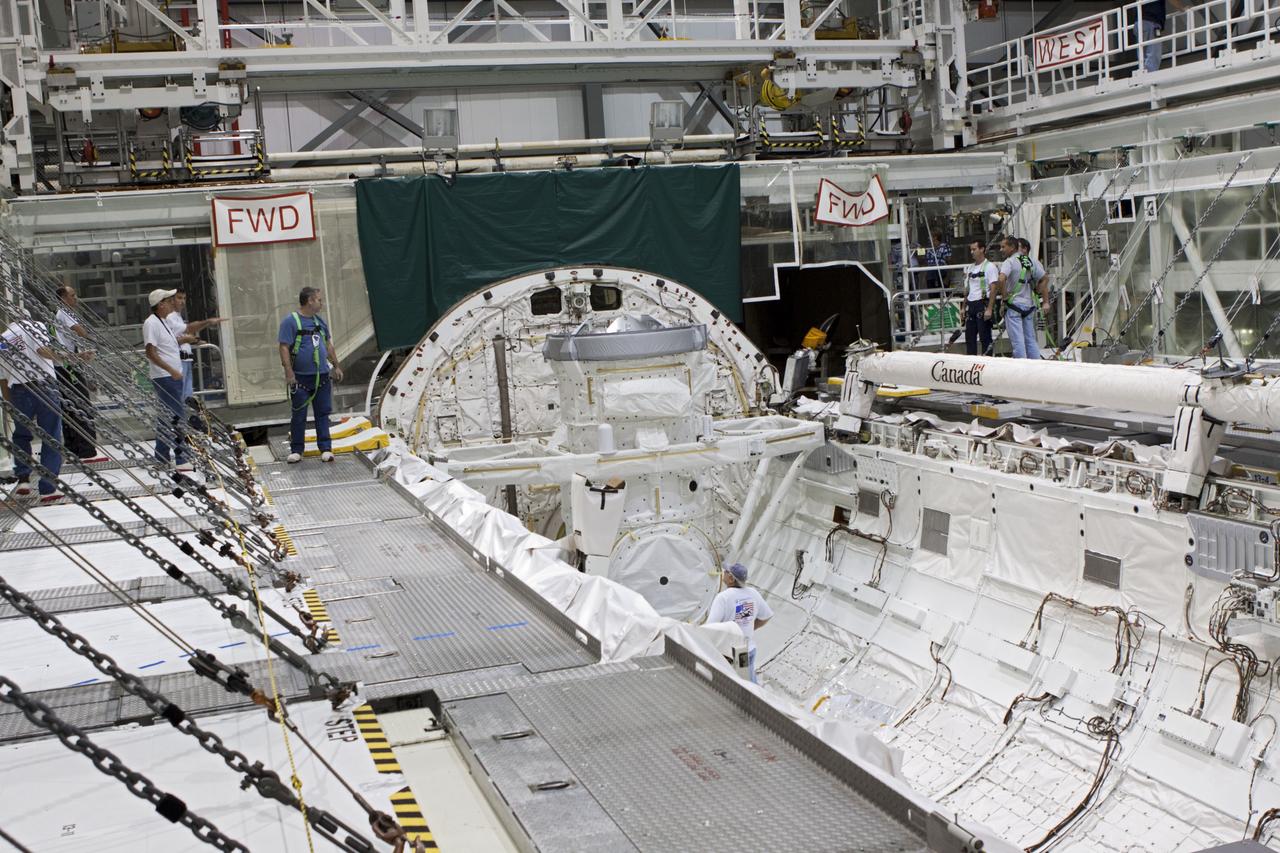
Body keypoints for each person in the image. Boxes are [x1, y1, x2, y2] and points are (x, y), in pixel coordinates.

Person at [1, 311, 64, 502]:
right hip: (44, 386)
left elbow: (2, 378)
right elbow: (42, 350)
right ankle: (48, 488)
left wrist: (10, 403)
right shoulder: (36, 326)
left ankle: (23, 479)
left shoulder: (3, 339)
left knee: (21, 435)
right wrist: (66, 357)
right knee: (51, 436)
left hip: (18, 391)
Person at [278, 287, 343, 464]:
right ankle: (297, 449)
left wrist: (336, 366)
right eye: (319, 300)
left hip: (322, 377)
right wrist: (289, 372)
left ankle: (326, 448)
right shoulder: (290, 322)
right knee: (298, 415)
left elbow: (328, 345)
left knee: (322, 414)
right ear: (309, 301)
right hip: (300, 379)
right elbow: (284, 347)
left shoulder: (319, 322)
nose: (321, 303)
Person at [52, 285, 106, 463]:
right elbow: (79, 331)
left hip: (67, 364)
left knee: (71, 407)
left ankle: (74, 449)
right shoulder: (64, 313)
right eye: (73, 295)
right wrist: (95, 342)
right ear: (63, 298)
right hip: (68, 367)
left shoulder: (62, 314)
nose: (76, 298)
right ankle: (85, 451)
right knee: (81, 406)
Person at [142, 288, 191, 472]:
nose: (173, 303)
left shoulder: (162, 322)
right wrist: (171, 369)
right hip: (166, 377)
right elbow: (150, 351)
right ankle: (181, 458)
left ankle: (161, 457)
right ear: (160, 304)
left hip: (171, 376)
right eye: (169, 300)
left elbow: (166, 346)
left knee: (166, 418)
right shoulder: (152, 324)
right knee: (177, 417)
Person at [705, 562, 774, 683]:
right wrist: (749, 629)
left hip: (732, 653)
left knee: (739, 689)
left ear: (731, 578)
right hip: (749, 648)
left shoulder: (723, 598)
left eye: (725, 572)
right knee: (749, 684)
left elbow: (711, 628)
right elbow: (766, 616)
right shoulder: (753, 593)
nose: (723, 573)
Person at [993, 236, 1050, 360]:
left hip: (1014, 306)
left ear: (1012, 247)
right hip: (1029, 305)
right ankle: (1036, 365)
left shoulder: (1009, 262)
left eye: (1003, 247)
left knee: (1017, 341)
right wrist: (1037, 290)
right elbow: (1045, 278)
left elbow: (1001, 279)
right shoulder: (1030, 261)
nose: (1001, 250)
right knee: (1030, 339)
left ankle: (1020, 369)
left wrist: (1004, 298)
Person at [164, 289, 224, 405]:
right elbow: (185, 332)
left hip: (186, 360)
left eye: (184, 298)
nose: (182, 301)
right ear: (171, 300)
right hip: (178, 361)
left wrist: (195, 341)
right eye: (179, 298)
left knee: (187, 395)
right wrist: (208, 322)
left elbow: (183, 335)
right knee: (180, 396)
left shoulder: (178, 316)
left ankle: (184, 418)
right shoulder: (170, 317)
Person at [961, 240, 999, 356]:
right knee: (970, 338)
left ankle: (987, 362)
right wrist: (963, 307)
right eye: (971, 250)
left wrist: (989, 308)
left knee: (985, 337)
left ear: (982, 249)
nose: (972, 252)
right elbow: (967, 289)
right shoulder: (970, 268)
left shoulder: (990, 267)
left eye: (974, 249)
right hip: (971, 305)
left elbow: (994, 288)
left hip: (982, 304)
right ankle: (971, 362)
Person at [1138, 1, 1184, 73]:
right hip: (1151, 21)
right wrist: (1182, 8)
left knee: (1142, 53)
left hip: (1139, 23)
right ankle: (1150, 76)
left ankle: (1143, 74)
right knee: (1153, 51)